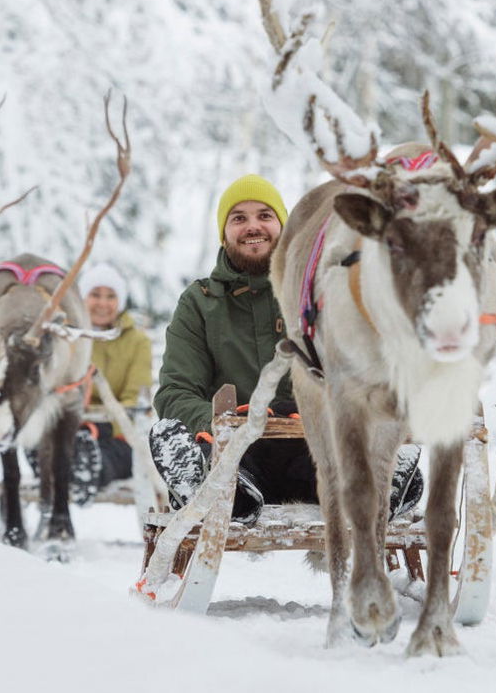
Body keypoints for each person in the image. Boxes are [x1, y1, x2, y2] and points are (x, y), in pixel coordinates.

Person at [148, 174, 423, 527]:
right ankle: (226, 495)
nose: (252, 227)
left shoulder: (318, 291)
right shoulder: (199, 304)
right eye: (239, 218)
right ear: (224, 231)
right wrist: (221, 425)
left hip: (316, 455)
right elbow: (176, 390)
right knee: (167, 435)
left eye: (264, 216)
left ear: (282, 225)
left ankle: (381, 484)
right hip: (238, 459)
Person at [66, 262, 153, 505]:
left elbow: (134, 398)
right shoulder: (69, 338)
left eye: (110, 296)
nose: (102, 303)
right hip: (72, 427)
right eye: (95, 295)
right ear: (83, 298)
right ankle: (74, 462)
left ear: (120, 301)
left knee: (109, 456)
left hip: (117, 433)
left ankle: (88, 470)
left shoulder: (137, 342)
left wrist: (99, 428)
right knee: (55, 441)